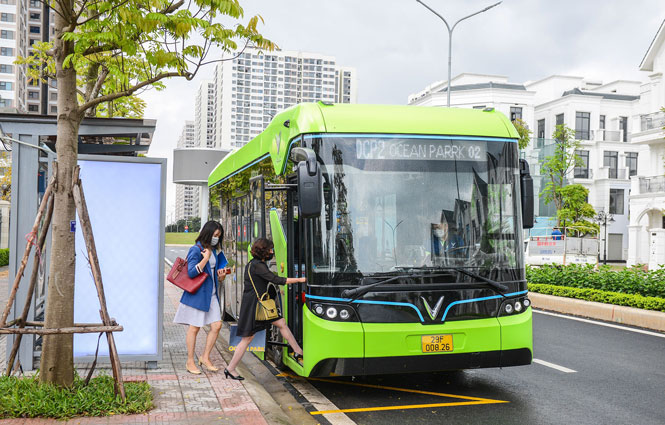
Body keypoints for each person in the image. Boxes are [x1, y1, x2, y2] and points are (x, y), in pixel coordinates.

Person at [224, 238, 305, 380]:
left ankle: (298, 350)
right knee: (247, 339)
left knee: (281, 323)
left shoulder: (253, 264)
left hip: (254, 304)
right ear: (264, 251)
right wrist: (299, 280)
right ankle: (230, 368)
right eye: (270, 250)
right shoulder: (258, 266)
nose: (272, 252)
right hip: (255, 307)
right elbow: (276, 280)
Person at [173, 221, 229, 375]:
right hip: (197, 295)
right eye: (215, 235)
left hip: (211, 295)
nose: (216, 238)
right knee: (194, 328)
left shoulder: (214, 251)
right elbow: (191, 273)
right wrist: (205, 259)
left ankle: (205, 357)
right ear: (207, 233)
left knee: (216, 325)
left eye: (219, 236)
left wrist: (221, 277)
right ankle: (190, 361)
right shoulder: (196, 250)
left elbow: (213, 275)